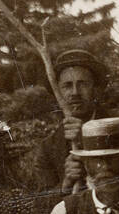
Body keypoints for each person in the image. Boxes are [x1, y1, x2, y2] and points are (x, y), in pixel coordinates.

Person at [32, 49, 109, 202]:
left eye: (83, 84)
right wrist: (65, 185)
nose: (75, 93)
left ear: (95, 89)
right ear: (58, 92)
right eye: (67, 86)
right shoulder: (48, 148)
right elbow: (40, 208)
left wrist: (87, 139)